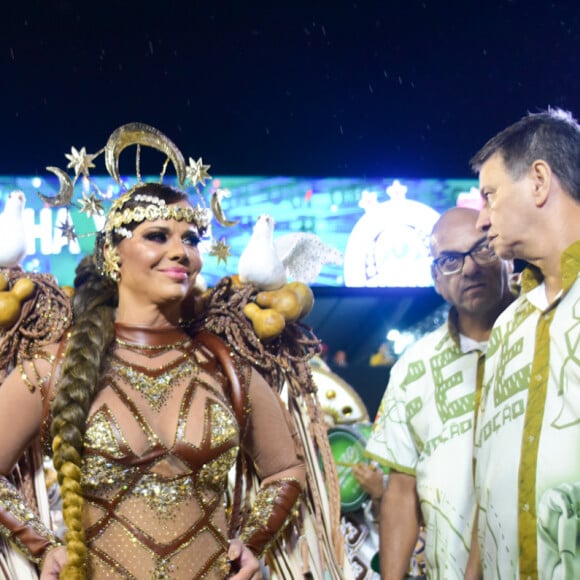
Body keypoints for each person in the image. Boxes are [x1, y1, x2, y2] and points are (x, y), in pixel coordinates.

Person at [0, 181, 307, 579]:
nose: (180, 251)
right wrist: (43, 545)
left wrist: (251, 542)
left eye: (191, 239)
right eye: (157, 236)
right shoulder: (56, 366)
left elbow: (286, 469)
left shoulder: (227, 367)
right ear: (112, 253)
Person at [364, 206, 515, 579]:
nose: (469, 268)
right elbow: (401, 491)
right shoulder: (413, 368)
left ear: (507, 255)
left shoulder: (541, 335)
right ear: (435, 278)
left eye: (482, 249)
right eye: (450, 260)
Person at [469, 107, 580, 579]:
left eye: (489, 196)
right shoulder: (509, 324)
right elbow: (487, 475)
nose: (481, 219)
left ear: (539, 181)